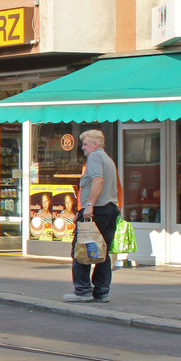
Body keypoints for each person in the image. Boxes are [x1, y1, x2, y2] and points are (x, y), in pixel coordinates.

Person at [63, 129, 120, 303]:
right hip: (109, 209)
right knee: (102, 252)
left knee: (81, 250)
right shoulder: (108, 159)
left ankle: (82, 290)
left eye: (85, 144)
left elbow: (98, 180)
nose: (83, 148)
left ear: (95, 144)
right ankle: (102, 292)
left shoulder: (95, 157)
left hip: (97, 210)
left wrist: (89, 205)